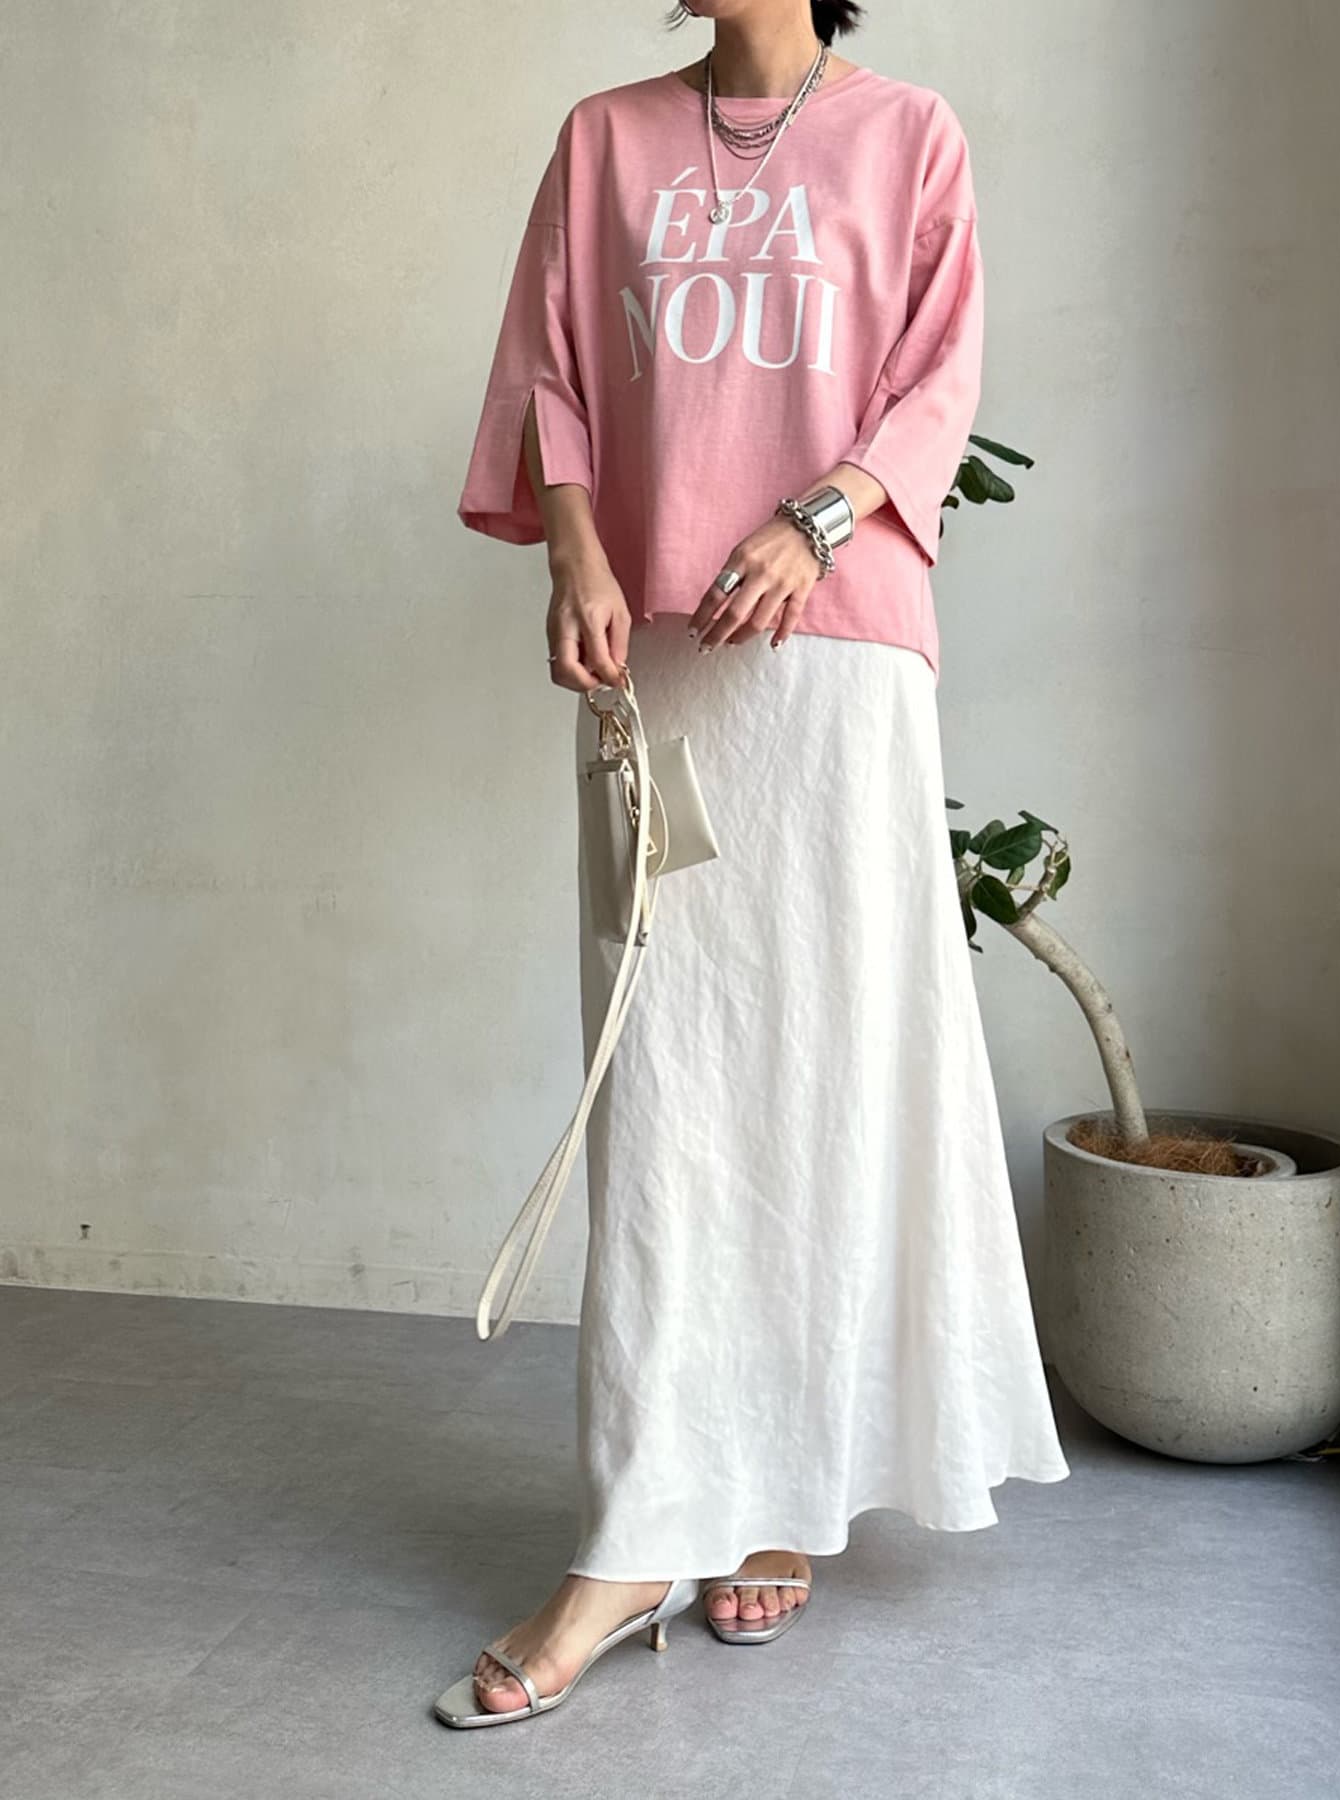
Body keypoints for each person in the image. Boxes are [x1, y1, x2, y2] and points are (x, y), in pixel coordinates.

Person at [434, 0, 1071, 1728]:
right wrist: (573, 557)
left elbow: (936, 379)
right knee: (664, 1082)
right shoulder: (605, 139)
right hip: (658, 649)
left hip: (838, 661)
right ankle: (639, 1529)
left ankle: (782, 1488)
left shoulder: (910, 135)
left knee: (821, 1073)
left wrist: (817, 519)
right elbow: (554, 375)